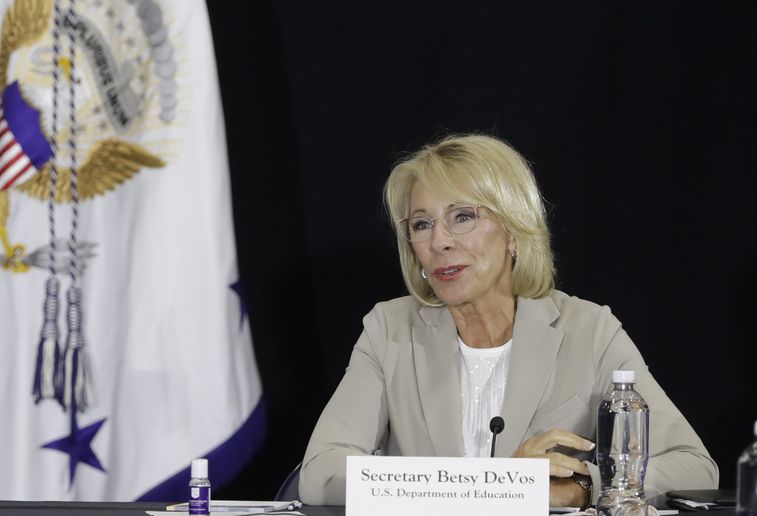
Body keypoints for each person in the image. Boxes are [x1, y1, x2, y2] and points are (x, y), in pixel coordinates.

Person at [298, 134, 718, 508]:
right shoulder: (389, 330)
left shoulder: (589, 331)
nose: (439, 241)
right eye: (422, 224)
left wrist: (583, 486)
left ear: (514, 230)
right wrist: (503, 484)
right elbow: (321, 475)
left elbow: (693, 467)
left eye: (463, 216)